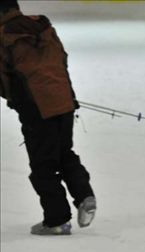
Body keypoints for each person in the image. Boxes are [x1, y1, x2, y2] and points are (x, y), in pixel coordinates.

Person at [0, 0, 96, 235]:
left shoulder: (3, 35)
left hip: (36, 108)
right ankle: (84, 195)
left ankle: (57, 220)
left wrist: (13, 98)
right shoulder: (43, 26)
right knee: (64, 153)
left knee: (43, 164)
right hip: (63, 100)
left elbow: (3, 78)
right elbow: (61, 59)